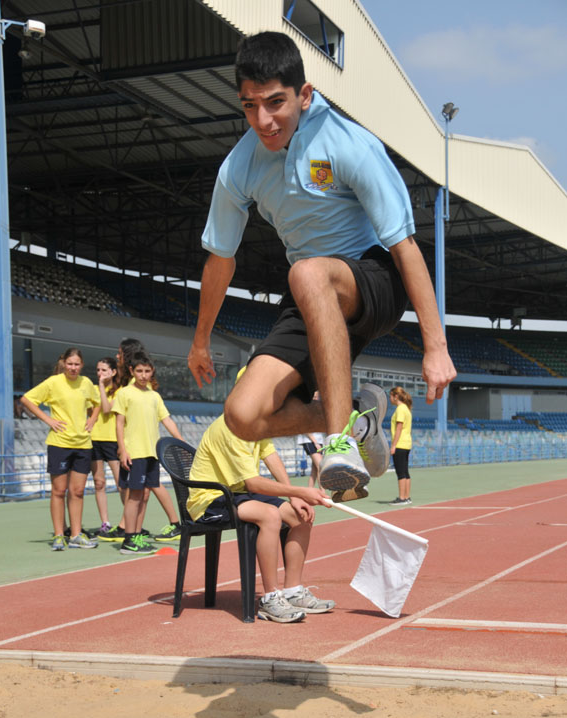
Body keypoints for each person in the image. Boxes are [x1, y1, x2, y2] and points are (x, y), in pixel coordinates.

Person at [188, 31, 456, 500]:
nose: (264, 120)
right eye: (250, 106)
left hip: (373, 279)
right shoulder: (239, 167)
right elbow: (221, 259)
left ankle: (338, 444)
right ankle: (359, 412)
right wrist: (201, 339)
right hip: (311, 296)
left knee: (306, 271)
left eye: (275, 103)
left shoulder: (349, 145)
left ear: (304, 95)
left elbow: (405, 246)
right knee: (243, 415)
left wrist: (436, 347)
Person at [187, 372, 334, 623]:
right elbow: (253, 482)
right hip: (209, 499)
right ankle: (269, 598)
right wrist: (299, 491)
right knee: (269, 515)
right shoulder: (229, 429)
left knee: (300, 516)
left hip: (237, 494)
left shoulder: (254, 425)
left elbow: (271, 457)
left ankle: (293, 590)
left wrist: (294, 499)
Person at [98, 339, 182, 543]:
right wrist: (123, 450)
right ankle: (130, 536)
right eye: (139, 371)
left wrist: (181, 442)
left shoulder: (154, 396)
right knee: (135, 496)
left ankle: (135, 535)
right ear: (132, 370)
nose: (143, 375)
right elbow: (119, 423)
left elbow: (167, 419)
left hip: (152, 453)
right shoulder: (126, 392)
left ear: (151, 371)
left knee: (143, 495)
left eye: (147, 371)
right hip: (134, 452)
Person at [20, 347, 99, 550]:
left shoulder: (87, 383)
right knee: (59, 490)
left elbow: (97, 403)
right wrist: (48, 419)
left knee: (78, 491)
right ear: (63, 363)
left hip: (83, 444)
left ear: (82, 365)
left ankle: (75, 534)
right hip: (59, 444)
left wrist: (93, 419)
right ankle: (58, 535)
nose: (73, 368)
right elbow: (27, 399)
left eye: (77, 364)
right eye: (70, 364)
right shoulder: (53, 382)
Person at [88, 357, 123, 535]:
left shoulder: (120, 392)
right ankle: (105, 522)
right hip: (94, 440)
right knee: (99, 482)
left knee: (121, 484)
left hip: (112, 440)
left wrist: (102, 386)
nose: (100, 374)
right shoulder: (91, 390)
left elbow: (107, 408)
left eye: (104, 370)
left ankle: (127, 523)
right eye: (98, 370)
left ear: (113, 372)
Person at [389, 386, 413, 505]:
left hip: (400, 444)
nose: (390, 399)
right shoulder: (406, 409)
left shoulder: (400, 409)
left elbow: (399, 428)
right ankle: (407, 497)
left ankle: (402, 498)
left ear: (396, 396)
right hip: (406, 443)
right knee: (405, 471)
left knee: (400, 472)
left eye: (391, 396)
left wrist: (393, 445)